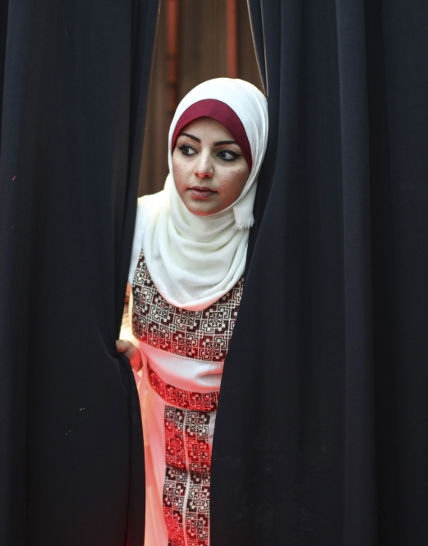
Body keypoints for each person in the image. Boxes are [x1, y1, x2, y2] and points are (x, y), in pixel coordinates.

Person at [116, 78, 268, 546]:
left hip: (246, 454)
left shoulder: (267, 249)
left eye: (225, 155)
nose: (200, 170)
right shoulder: (138, 225)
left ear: (257, 161)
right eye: (187, 149)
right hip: (151, 443)